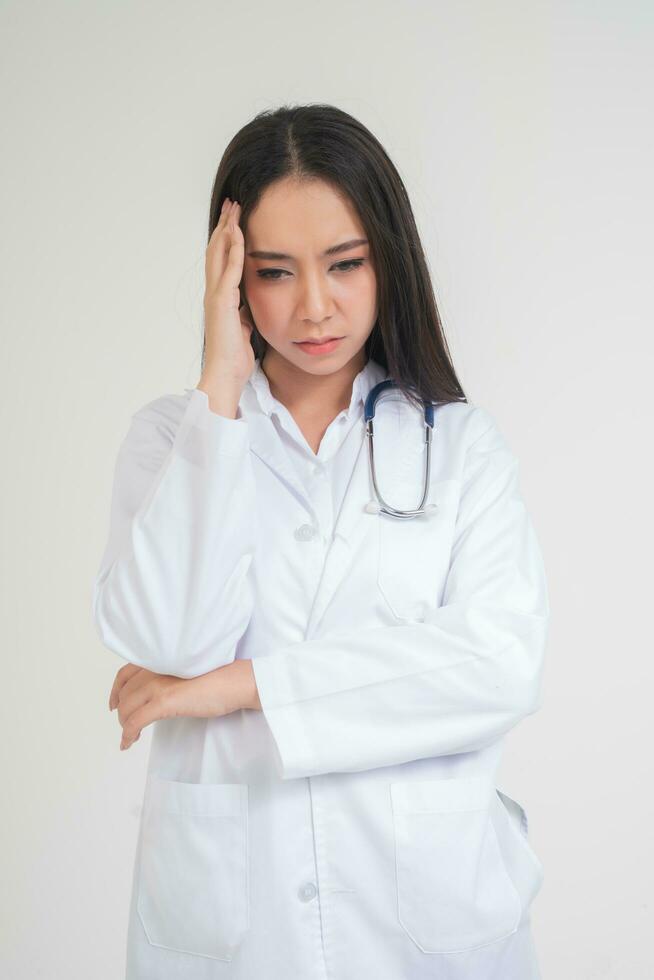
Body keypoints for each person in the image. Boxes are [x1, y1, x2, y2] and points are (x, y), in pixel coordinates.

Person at [92, 103, 549, 980]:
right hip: (233, 930)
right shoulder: (172, 441)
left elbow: (495, 664)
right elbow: (172, 639)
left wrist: (239, 687)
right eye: (272, 272)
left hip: (431, 924)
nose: (314, 307)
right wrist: (219, 384)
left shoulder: (460, 447)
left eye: (345, 263)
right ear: (229, 279)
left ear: (389, 257)